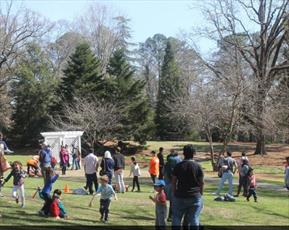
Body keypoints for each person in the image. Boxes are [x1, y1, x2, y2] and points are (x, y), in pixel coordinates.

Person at [171, 144, 204, 230]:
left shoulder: (178, 166)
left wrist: (174, 192)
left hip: (180, 196)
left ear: (183, 153)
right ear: (194, 153)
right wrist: (201, 194)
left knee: (176, 218)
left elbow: (174, 181)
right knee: (194, 218)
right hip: (194, 196)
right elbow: (201, 182)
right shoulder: (197, 166)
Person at [164, 149, 182, 222]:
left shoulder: (169, 161)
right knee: (175, 201)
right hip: (176, 182)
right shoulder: (179, 160)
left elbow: (165, 173)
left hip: (169, 183)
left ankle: (170, 216)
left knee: (172, 200)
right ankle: (172, 216)